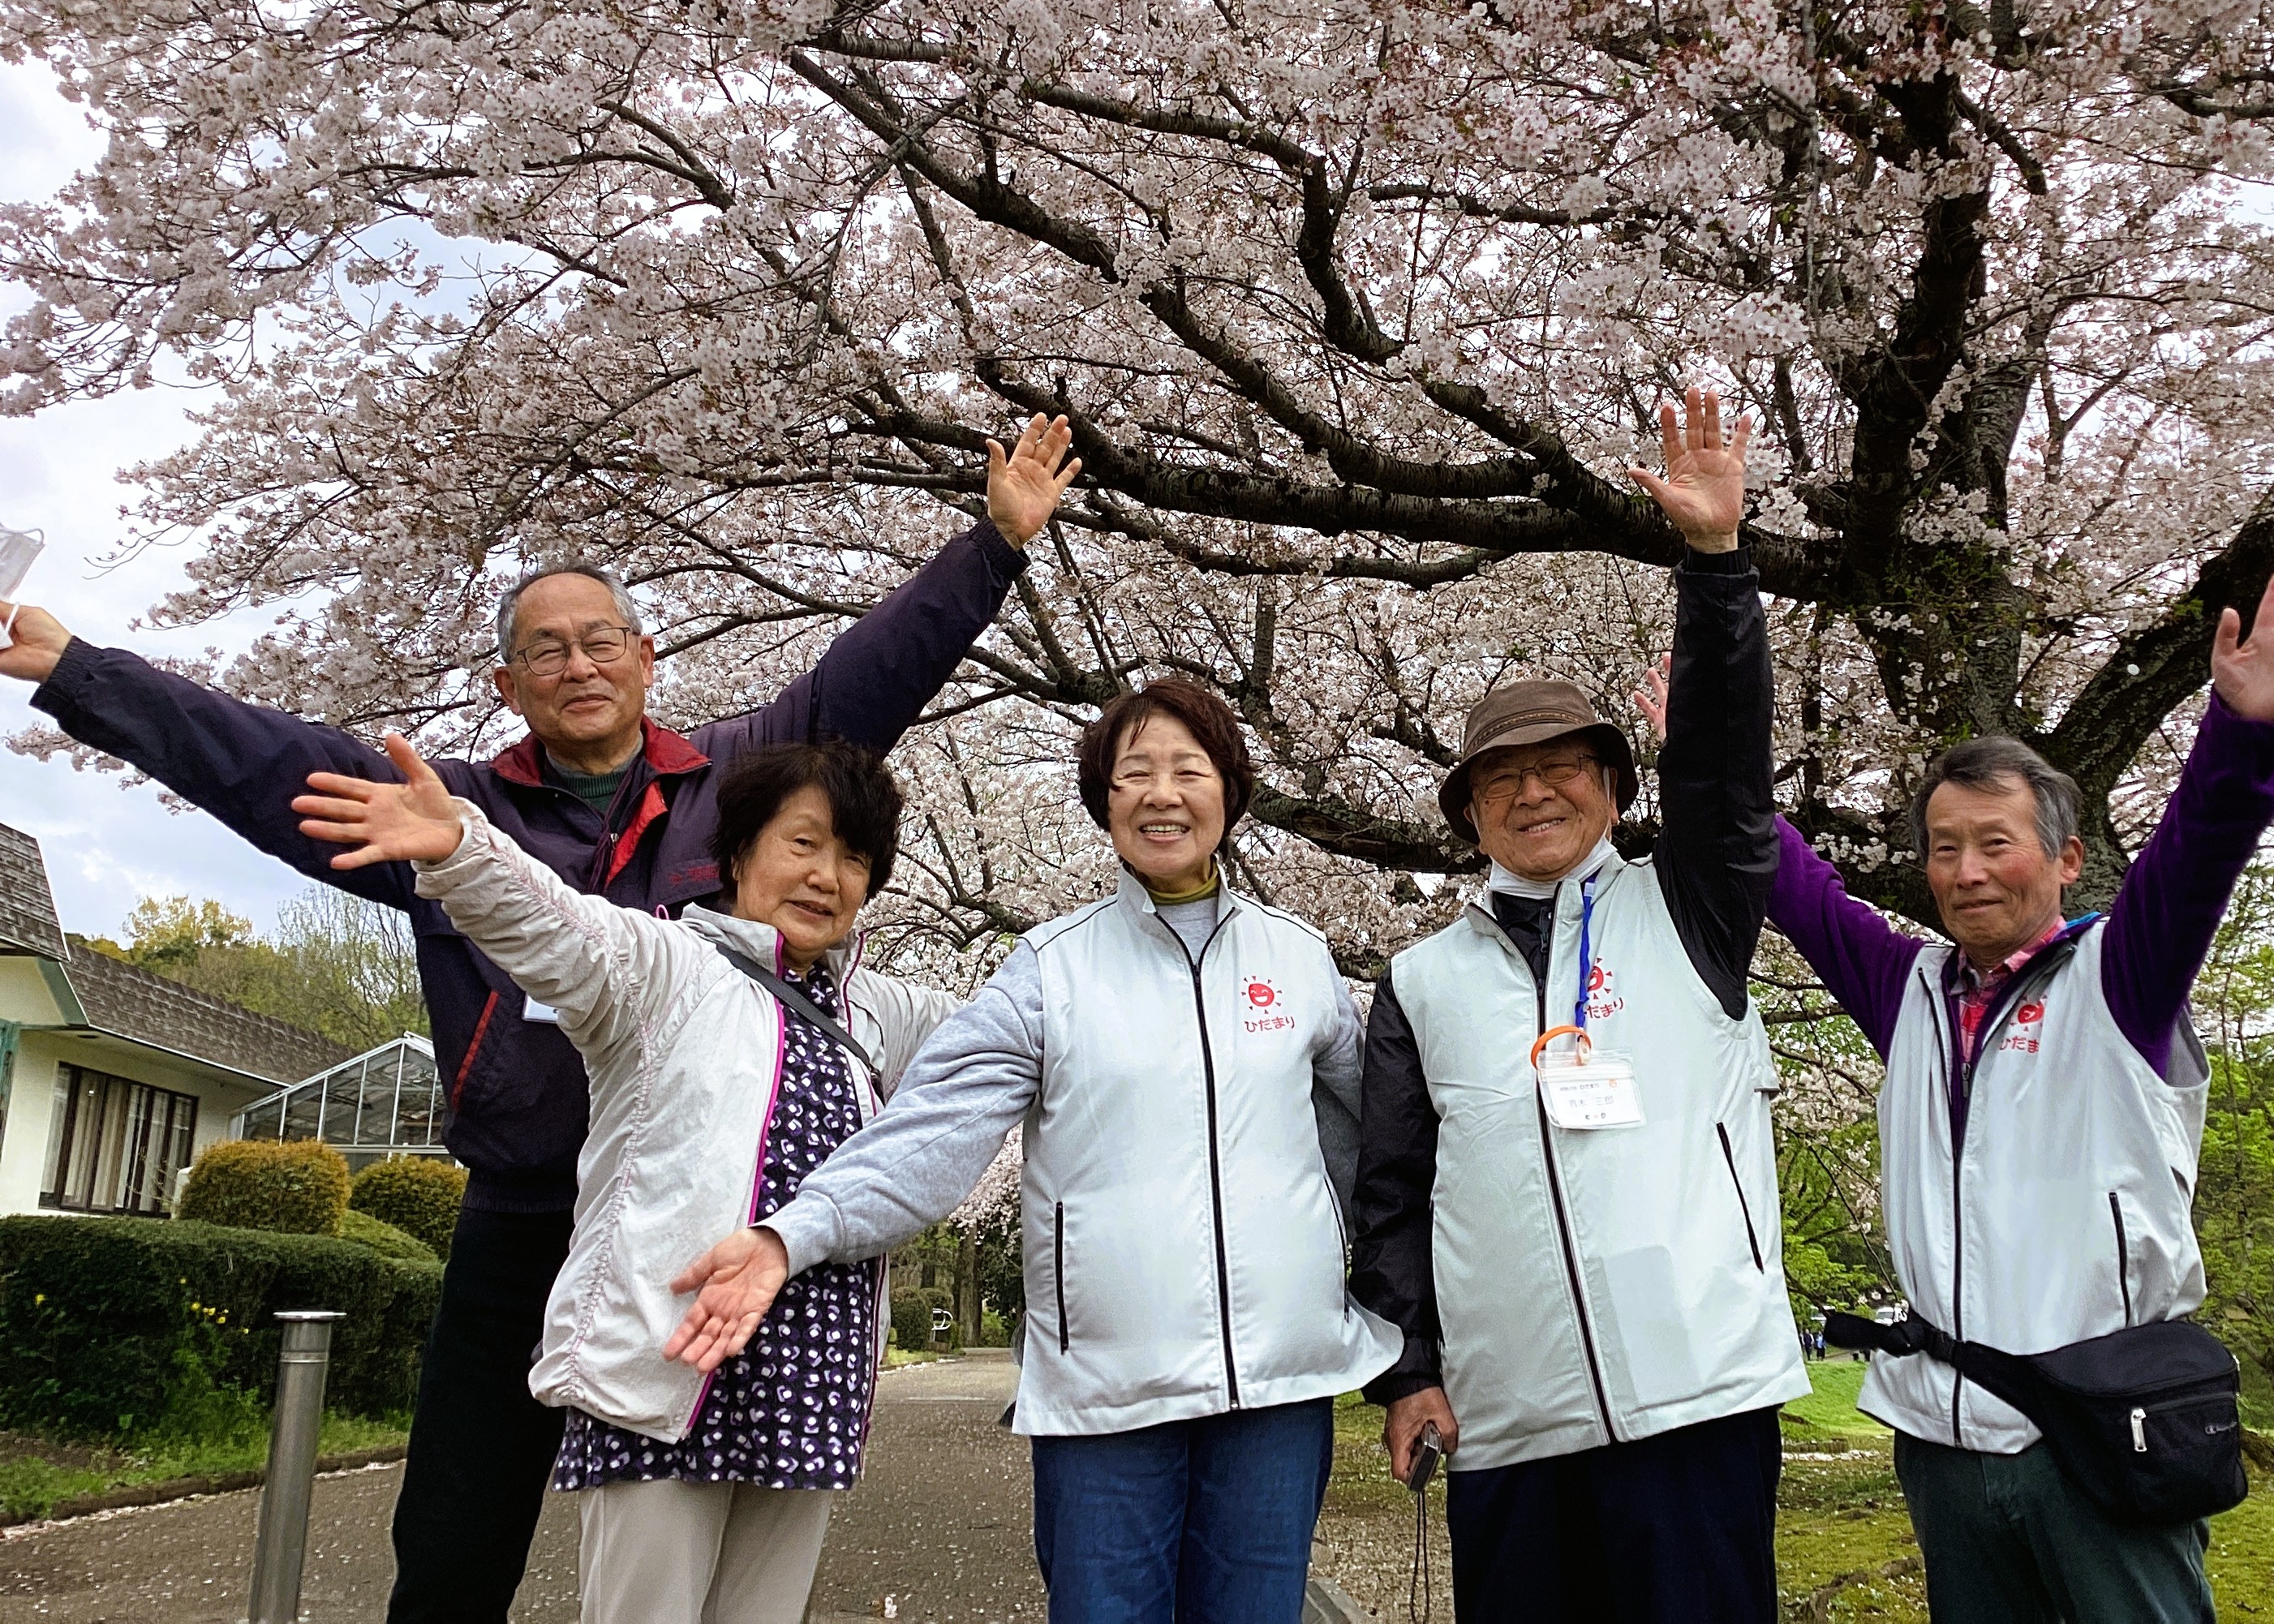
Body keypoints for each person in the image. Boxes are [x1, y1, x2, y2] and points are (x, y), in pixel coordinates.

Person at [0, 418, 1078, 1623]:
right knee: (458, 1537)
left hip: (693, 1217)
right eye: (546, 653)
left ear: (647, 656)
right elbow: (267, 761)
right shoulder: (445, 808)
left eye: (602, 642)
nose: (580, 668)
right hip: (523, 1212)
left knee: (713, 1523)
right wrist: (77, 669)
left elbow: (871, 675)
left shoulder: (734, 777)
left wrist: (993, 544)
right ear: (506, 686)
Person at [1670, 566, 2274, 1622]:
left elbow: (2196, 858)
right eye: (1946, 849)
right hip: (1943, 1441)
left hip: (2104, 1427)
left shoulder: (2122, 980)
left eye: (1997, 843)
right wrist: (1706, 751)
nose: (1969, 871)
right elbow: (1784, 874)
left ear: (2066, 860)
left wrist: (2245, 732)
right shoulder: (1911, 993)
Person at [664, 674, 1400, 1624]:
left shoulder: (1299, 959)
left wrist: (1366, 1294)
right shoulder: (1052, 968)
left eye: (1189, 769)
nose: (1162, 794)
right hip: (1104, 1394)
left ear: (1229, 791)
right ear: (1105, 803)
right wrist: (790, 1235)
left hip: (1280, 1388)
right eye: (1134, 774)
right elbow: (934, 1129)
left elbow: (1373, 1147)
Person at [296, 732, 949, 1624]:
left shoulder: (878, 1011)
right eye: (802, 843)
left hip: (811, 1381)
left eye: (854, 857)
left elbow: (1013, 1032)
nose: (826, 876)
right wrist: (462, 848)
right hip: (666, 1373)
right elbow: (559, 926)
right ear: (738, 852)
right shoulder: (665, 969)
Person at [1347, 388, 1808, 1624]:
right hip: (1509, 1422)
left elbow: (1724, 764)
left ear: (1611, 784)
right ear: (1468, 813)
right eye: (1502, 777)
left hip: (1695, 1399)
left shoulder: (1693, 906)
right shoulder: (1422, 981)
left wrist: (1716, 564)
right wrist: (1413, 1371)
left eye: (1562, 766)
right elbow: (1392, 1193)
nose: (1534, 792)